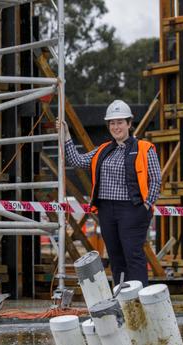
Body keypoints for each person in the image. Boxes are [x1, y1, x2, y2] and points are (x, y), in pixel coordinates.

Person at [57, 100, 161, 286]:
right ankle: (122, 298)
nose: (116, 127)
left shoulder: (144, 149)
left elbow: (156, 179)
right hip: (107, 210)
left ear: (129, 124)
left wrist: (147, 205)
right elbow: (77, 161)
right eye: (112, 123)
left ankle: (137, 301)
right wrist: (66, 135)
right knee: (115, 256)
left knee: (133, 255)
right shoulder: (103, 150)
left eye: (120, 122)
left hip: (132, 209)